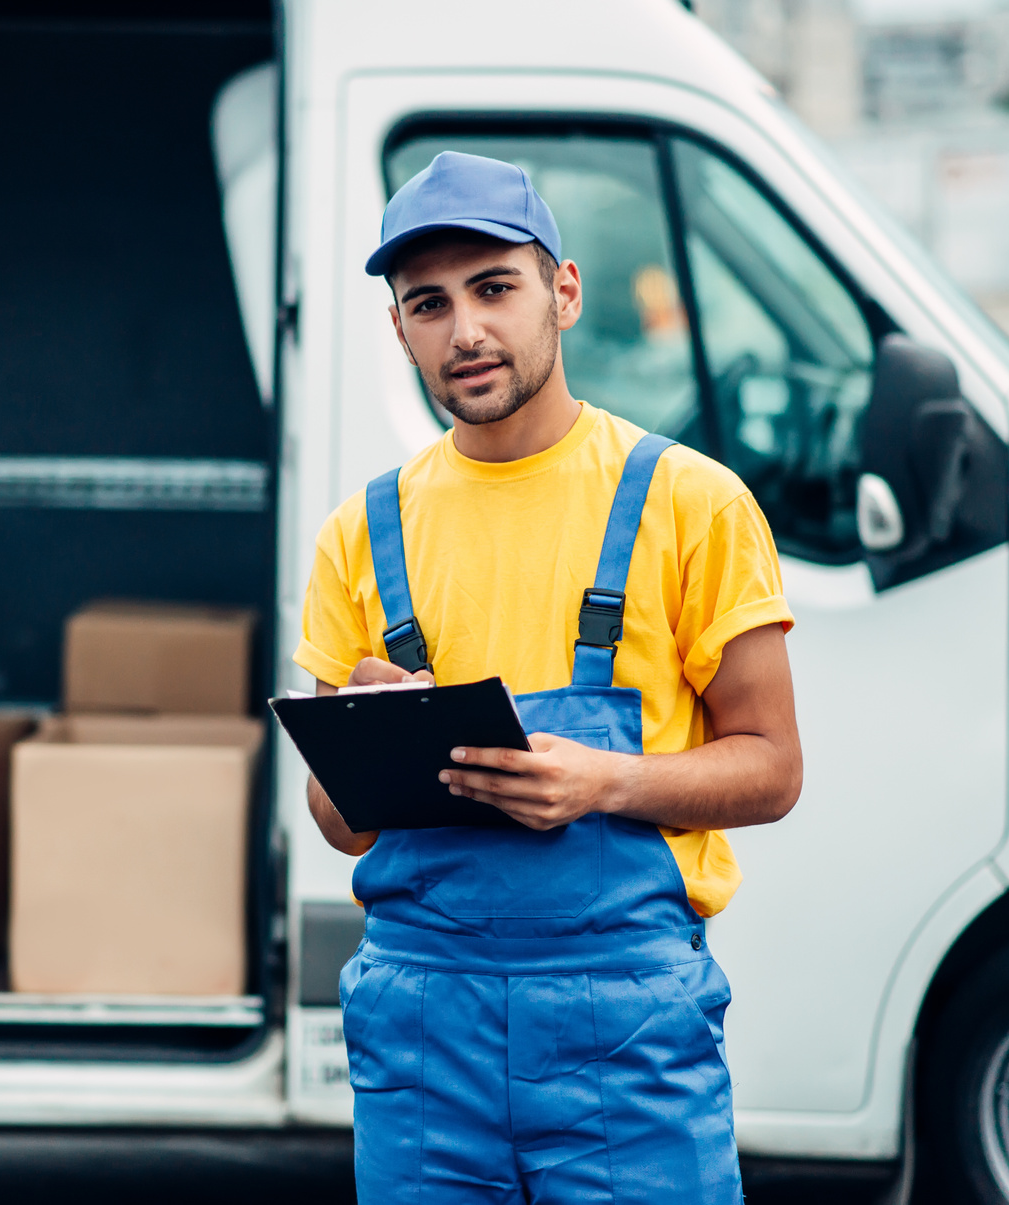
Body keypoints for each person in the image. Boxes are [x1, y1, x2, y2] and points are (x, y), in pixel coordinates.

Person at [296, 151, 803, 1203]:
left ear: (561, 292)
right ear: (398, 328)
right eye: (426, 304)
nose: (464, 331)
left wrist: (605, 782)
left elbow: (771, 768)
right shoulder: (361, 532)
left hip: (623, 1021)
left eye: (494, 288)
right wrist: (362, 742)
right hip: (422, 1024)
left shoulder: (689, 502)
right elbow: (338, 825)